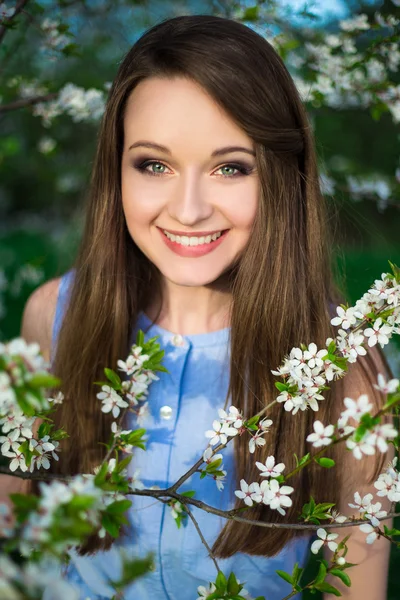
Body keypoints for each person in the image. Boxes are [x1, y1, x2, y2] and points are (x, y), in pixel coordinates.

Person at [5, 13, 394, 600]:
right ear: (117, 172)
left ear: (280, 179)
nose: (188, 210)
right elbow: (16, 529)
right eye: (154, 164)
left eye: (230, 167)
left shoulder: (343, 376)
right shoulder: (53, 316)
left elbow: (356, 588)